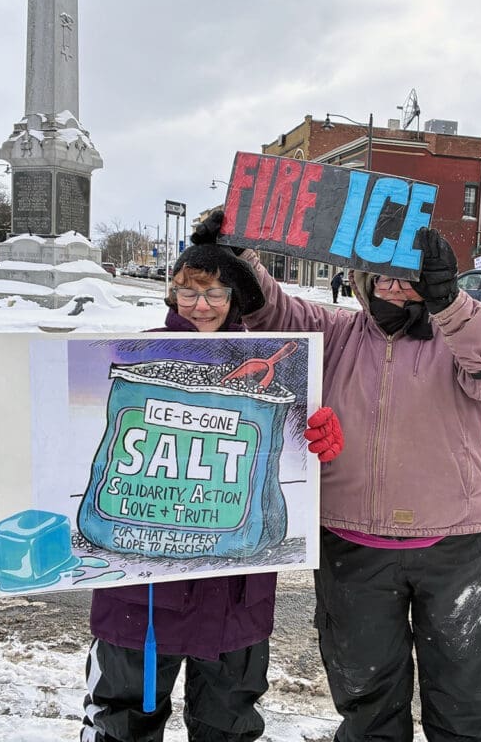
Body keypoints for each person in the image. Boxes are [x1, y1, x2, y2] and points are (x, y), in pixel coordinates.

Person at [191, 210, 481, 742]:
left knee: (467, 704)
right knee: (367, 704)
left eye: (410, 277)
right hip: (353, 548)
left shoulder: (462, 337)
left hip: (454, 548)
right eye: (382, 275)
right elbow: (274, 311)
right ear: (364, 281)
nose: (394, 287)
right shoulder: (339, 332)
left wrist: (452, 305)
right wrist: (238, 259)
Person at [81, 242, 344, 742]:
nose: (199, 304)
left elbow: (299, 461)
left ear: (236, 296)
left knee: (228, 727)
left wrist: (323, 446)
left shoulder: (282, 362)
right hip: (141, 598)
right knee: (120, 725)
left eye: (215, 292)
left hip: (234, 599)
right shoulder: (136, 352)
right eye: (186, 290)